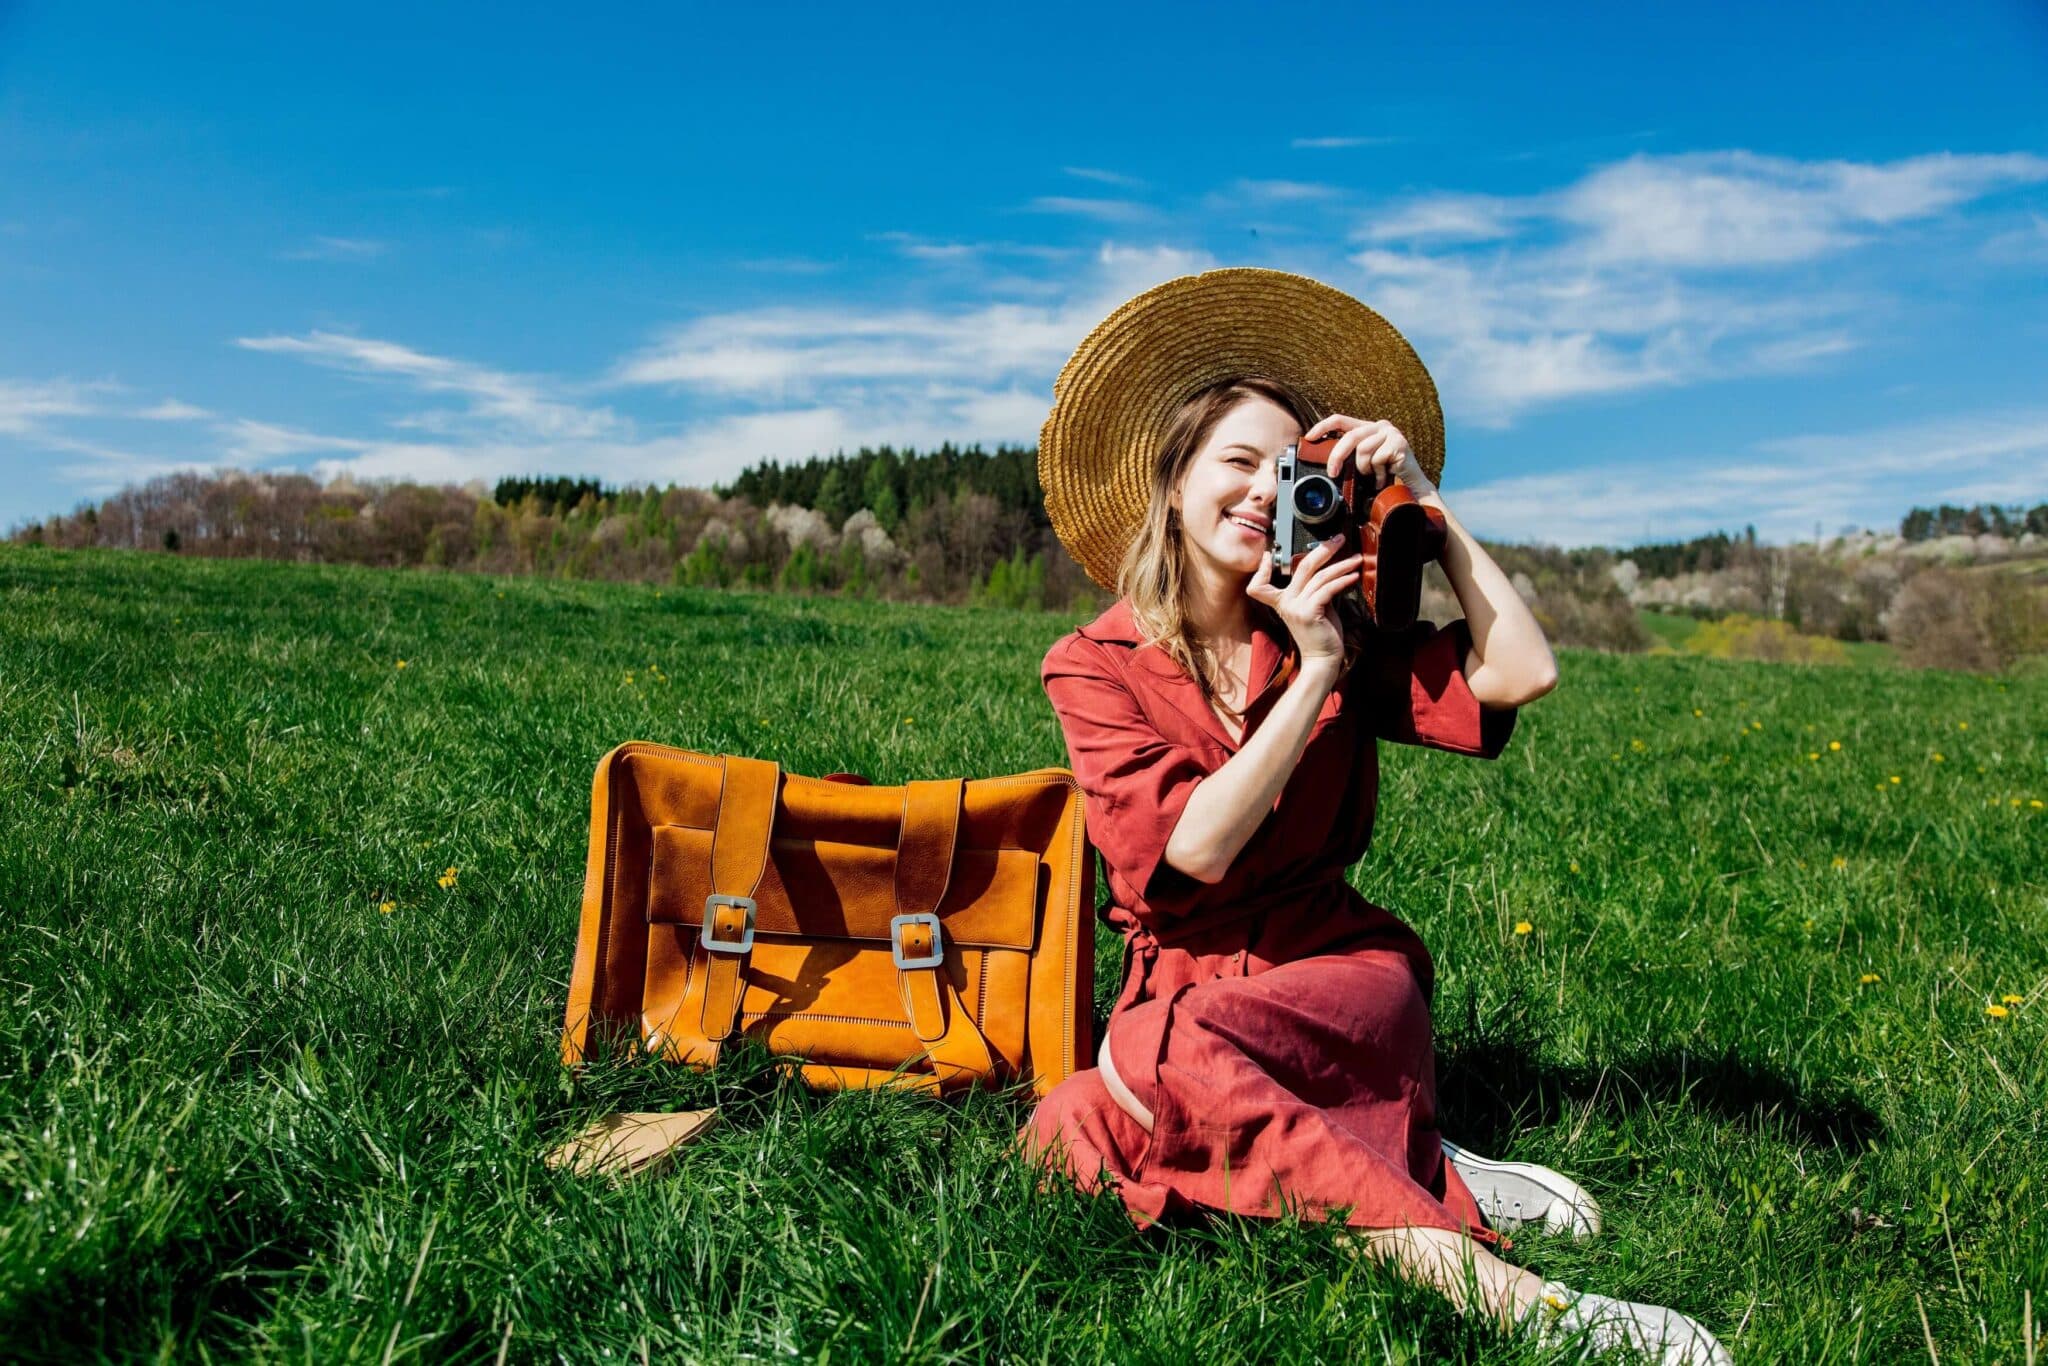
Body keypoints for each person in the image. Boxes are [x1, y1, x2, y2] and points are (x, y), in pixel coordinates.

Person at [1021, 270, 1730, 1365]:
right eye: (1237, 462)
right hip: (1188, 983)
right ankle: (1404, 1153)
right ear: (1171, 485)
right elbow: (1190, 850)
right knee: (1064, 1134)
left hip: (1338, 972)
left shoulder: (1339, 629)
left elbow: (1519, 670)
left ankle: (1504, 1293)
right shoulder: (1092, 664)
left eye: (1292, 468)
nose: (1264, 490)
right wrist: (1310, 679)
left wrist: (1426, 512)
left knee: (1143, 1069)